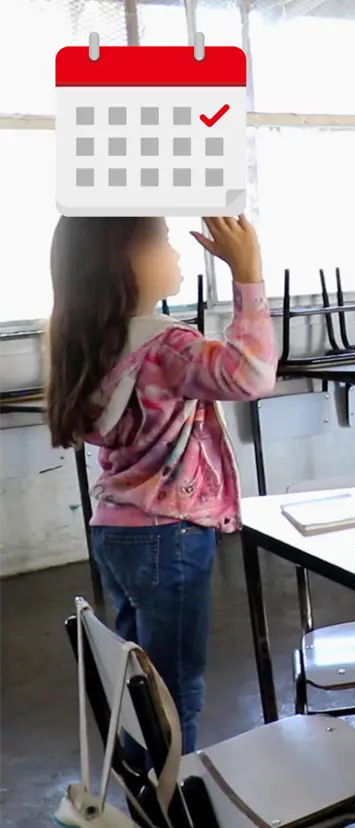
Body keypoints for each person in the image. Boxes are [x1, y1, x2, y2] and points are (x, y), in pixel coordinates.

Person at [45, 215, 275, 752]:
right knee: (173, 693)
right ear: (125, 261)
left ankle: (147, 798)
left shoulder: (95, 342)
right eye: (164, 241)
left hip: (116, 533)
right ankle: (172, 807)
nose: (176, 252)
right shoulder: (167, 348)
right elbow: (252, 375)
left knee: (137, 682)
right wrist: (248, 275)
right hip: (169, 537)